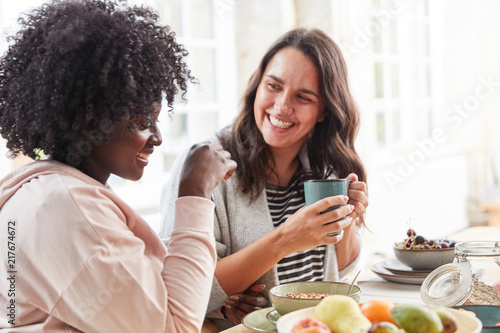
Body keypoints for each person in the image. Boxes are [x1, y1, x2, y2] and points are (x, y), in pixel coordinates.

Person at [0, 0, 236, 332]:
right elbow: (175, 329)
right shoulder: (70, 209)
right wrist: (194, 191)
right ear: (92, 119)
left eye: (156, 121)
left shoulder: (45, 192)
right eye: (142, 122)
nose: (157, 138)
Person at [160, 27, 368, 329]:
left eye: (303, 97)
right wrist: (285, 240)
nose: (282, 106)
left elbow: (341, 271)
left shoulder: (325, 165)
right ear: (258, 86)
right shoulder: (203, 166)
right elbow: (179, 292)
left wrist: (346, 219)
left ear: (323, 111)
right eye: (273, 86)